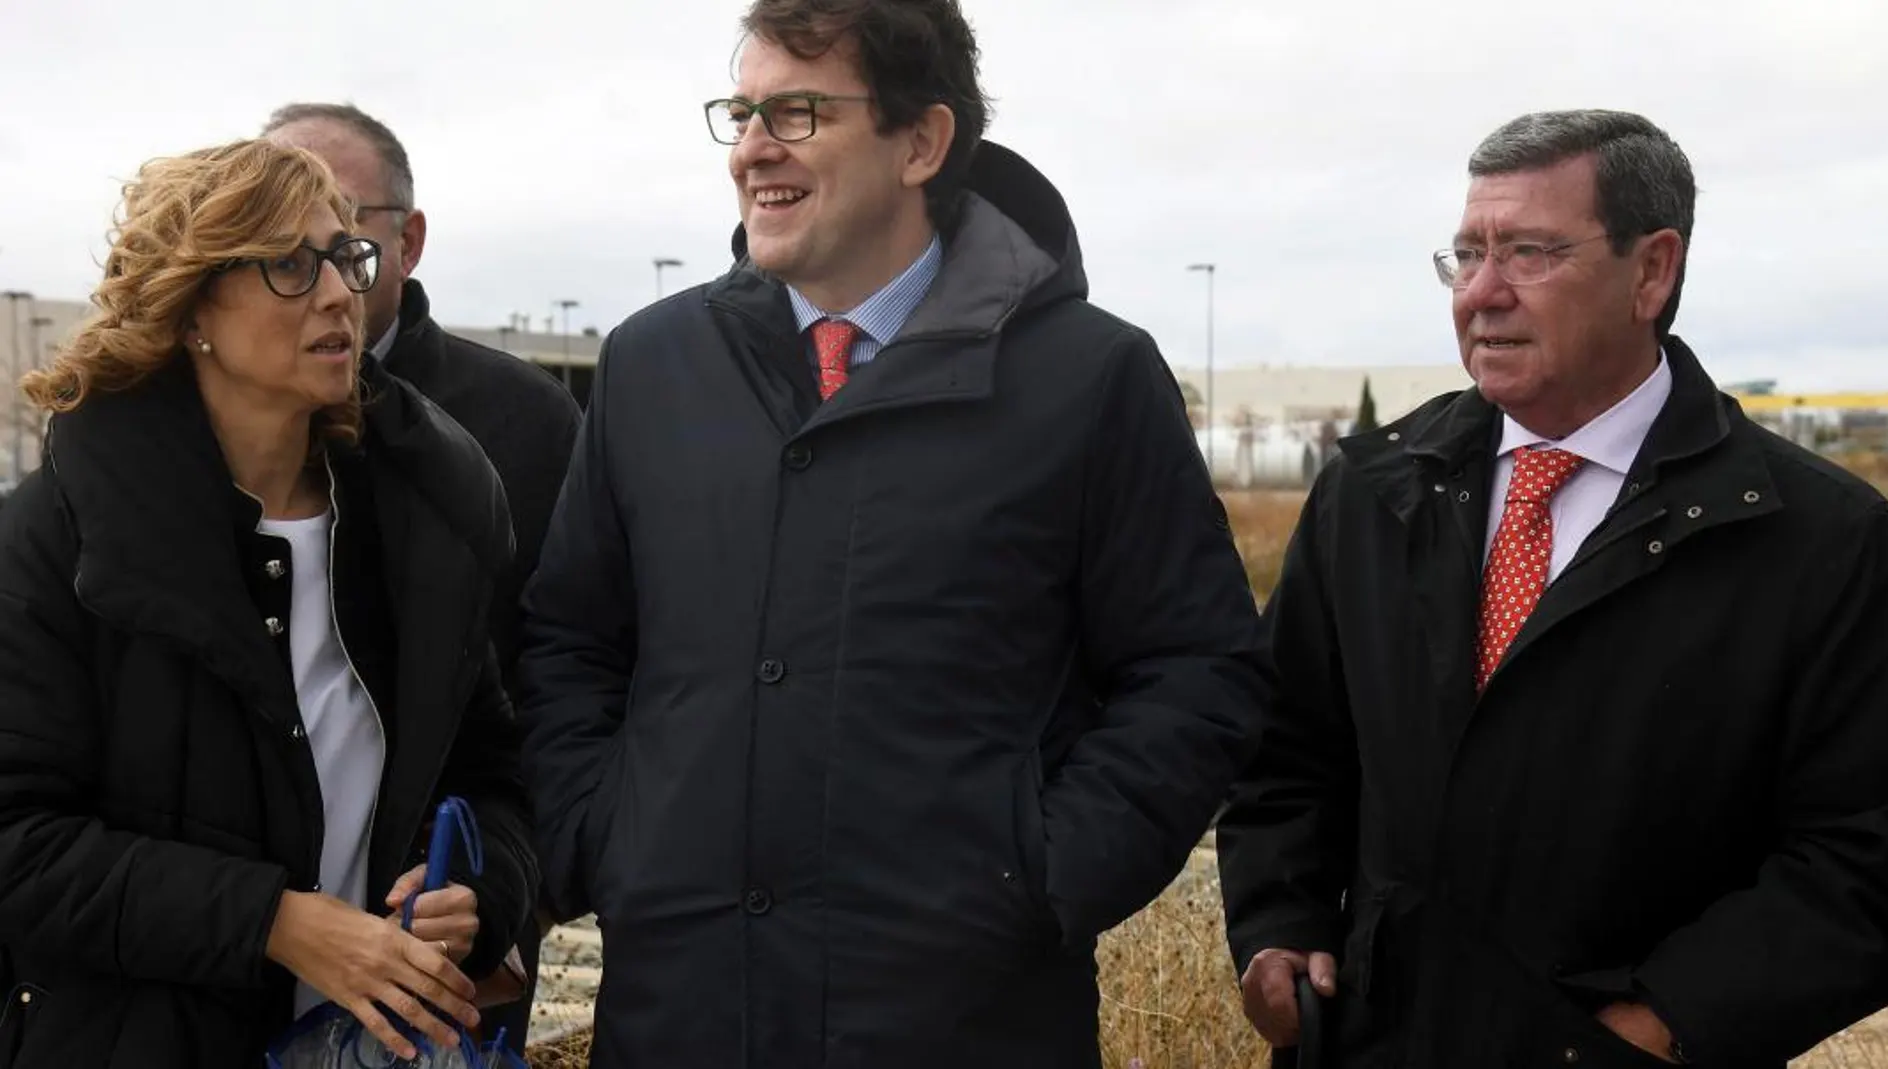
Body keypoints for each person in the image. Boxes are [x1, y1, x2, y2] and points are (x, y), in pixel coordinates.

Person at [515, 0, 1266, 1065]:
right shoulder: (652, 367)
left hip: (964, 1020)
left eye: (798, 112)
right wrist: (604, 839)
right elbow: (570, 642)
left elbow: (1196, 671)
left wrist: (1038, 876)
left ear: (922, 141)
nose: (751, 150)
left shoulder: (1087, 378)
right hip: (681, 1013)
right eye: (740, 112)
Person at [1217, 109, 1888, 1068]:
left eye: (1530, 252)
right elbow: (1286, 752)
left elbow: (1870, 850)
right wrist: (1278, 926)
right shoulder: (1373, 491)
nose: (1481, 294)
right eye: (1465, 255)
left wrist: (1668, 1024)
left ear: (1651, 271)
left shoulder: (1817, 541)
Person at [0, 139, 537, 1068]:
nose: (338, 293)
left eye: (344, 257)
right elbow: (20, 847)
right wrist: (277, 923)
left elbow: (496, 775)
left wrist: (480, 893)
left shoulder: (410, 530)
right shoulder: (56, 542)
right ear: (191, 305)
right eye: (290, 264)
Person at [261, 102, 584, 1050]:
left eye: (341, 230)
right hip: (229, 950)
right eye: (277, 237)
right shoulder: (148, 470)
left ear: (408, 240)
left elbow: (562, 676)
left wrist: (513, 891)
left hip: (447, 944)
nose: (317, 273)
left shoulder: (526, 424)